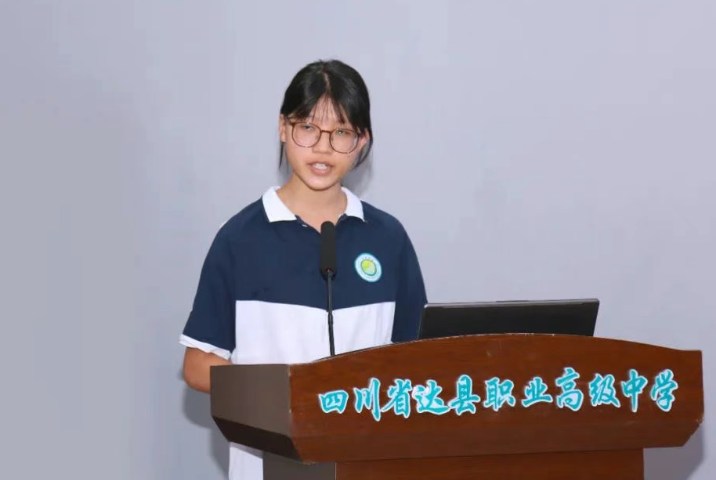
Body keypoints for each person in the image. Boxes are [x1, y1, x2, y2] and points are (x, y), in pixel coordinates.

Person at [179, 59, 428, 480]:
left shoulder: (388, 238)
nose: (323, 148)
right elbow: (198, 364)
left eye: (342, 132)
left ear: (362, 140)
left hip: (367, 462)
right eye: (308, 127)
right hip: (268, 461)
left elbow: (419, 360)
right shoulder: (240, 238)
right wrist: (285, 394)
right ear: (283, 128)